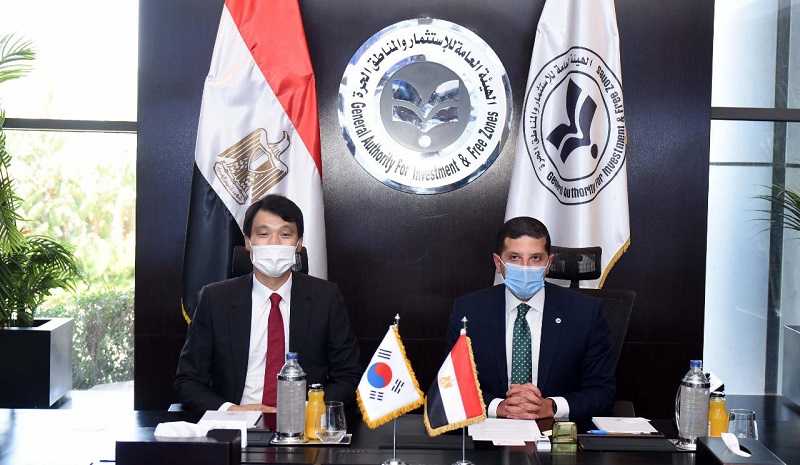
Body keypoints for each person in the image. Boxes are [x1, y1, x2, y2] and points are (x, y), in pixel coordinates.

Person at [175, 194, 362, 412]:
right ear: (248, 242)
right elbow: (187, 382)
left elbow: (349, 378)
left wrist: (305, 409)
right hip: (236, 422)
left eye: (285, 234)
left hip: (302, 421)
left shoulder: (326, 298)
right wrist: (232, 410)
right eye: (263, 234)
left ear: (299, 243)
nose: (274, 243)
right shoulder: (214, 299)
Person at [446, 216, 615, 420]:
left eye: (535, 258)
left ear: (548, 263)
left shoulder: (585, 313)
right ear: (498, 263)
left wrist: (551, 407)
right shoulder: (468, 312)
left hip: (557, 433)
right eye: (514, 257)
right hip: (489, 431)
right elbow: (452, 386)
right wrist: (499, 407)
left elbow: (602, 392)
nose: (525, 267)